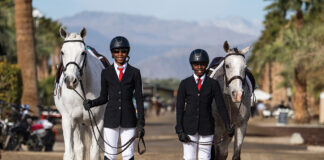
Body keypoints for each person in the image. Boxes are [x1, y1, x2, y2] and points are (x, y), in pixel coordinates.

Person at [83, 36, 145, 160]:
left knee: (128, 155)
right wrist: (92, 103)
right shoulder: (106, 73)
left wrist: (141, 123)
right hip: (111, 119)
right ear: (112, 53)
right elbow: (104, 97)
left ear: (127, 52)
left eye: (123, 51)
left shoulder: (135, 73)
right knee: (110, 154)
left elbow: (139, 99)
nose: (120, 54)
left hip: (129, 120)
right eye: (116, 51)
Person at [175, 49, 234, 160]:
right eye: (196, 64)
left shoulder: (213, 84)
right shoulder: (184, 84)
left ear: (206, 65)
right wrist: (179, 130)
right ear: (192, 65)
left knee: (205, 158)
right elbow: (179, 107)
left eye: (202, 64)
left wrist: (228, 125)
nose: (199, 67)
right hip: (188, 128)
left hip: (206, 128)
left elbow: (221, 105)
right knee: (188, 158)